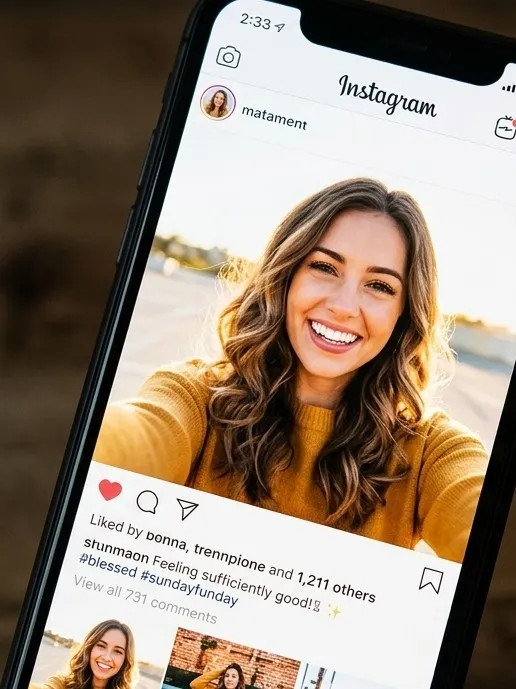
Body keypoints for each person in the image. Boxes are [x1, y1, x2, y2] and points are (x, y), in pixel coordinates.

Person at [92, 178, 488, 562]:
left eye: (380, 286)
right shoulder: (194, 397)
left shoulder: (432, 450)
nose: (344, 305)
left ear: (403, 314)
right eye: (324, 267)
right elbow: (128, 437)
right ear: (286, 276)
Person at [31, 619, 136, 689]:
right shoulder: (61, 684)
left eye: (117, 651)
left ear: (125, 660)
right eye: (101, 646)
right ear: (90, 648)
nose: (107, 657)